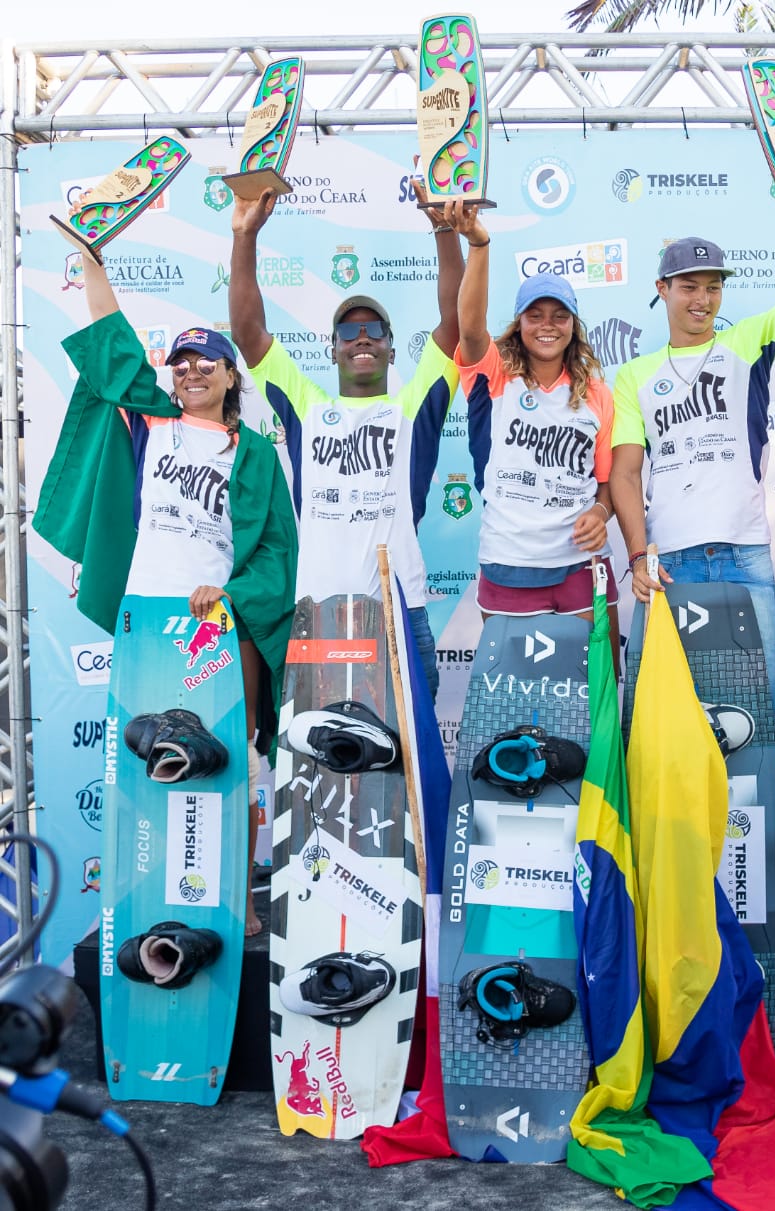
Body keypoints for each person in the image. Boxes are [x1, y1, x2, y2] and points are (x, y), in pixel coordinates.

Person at [33, 251, 298, 938]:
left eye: (206, 359)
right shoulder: (150, 424)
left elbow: (275, 548)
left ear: (232, 375)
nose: (191, 369)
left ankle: (237, 900)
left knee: (229, 762)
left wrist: (233, 594)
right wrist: (92, 262)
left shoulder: (256, 453)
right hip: (147, 617)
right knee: (143, 758)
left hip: (216, 623)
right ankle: (142, 899)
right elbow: (113, 347)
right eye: (180, 361)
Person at [228, 185, 463, 700]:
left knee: (408, 764)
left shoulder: (412, 409)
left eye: (375, 329)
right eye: (348, 331)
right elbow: (248, 333)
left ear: (392, 348)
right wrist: (245, 237)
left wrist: (445, 229)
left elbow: (457, 323)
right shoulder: (308, 407)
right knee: (320, 764)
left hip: (399, 610)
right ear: (332, 350)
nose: (362, 337)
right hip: (321, 612)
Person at [610, 227, 775, 695]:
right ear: (662, 289)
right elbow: (624, 475)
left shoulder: (747, 342)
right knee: (659, 711)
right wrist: (635, 555)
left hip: (744, 556)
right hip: (669, 559)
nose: (702, 299)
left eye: (713, 287)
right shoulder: (633, 375)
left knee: (754, 712)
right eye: (689, 286)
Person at [445, 201, 620, 666]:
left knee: (591, 691)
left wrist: (601, 513)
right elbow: (469, 326)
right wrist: (479, 245)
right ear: (518, 323)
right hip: (510, 563)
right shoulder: (494, 376)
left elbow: (605, 484)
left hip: (580, 565)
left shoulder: (598, 394)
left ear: (574, 325)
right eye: (535, 315)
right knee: (514, 694)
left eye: (559, 316)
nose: (547, 325)